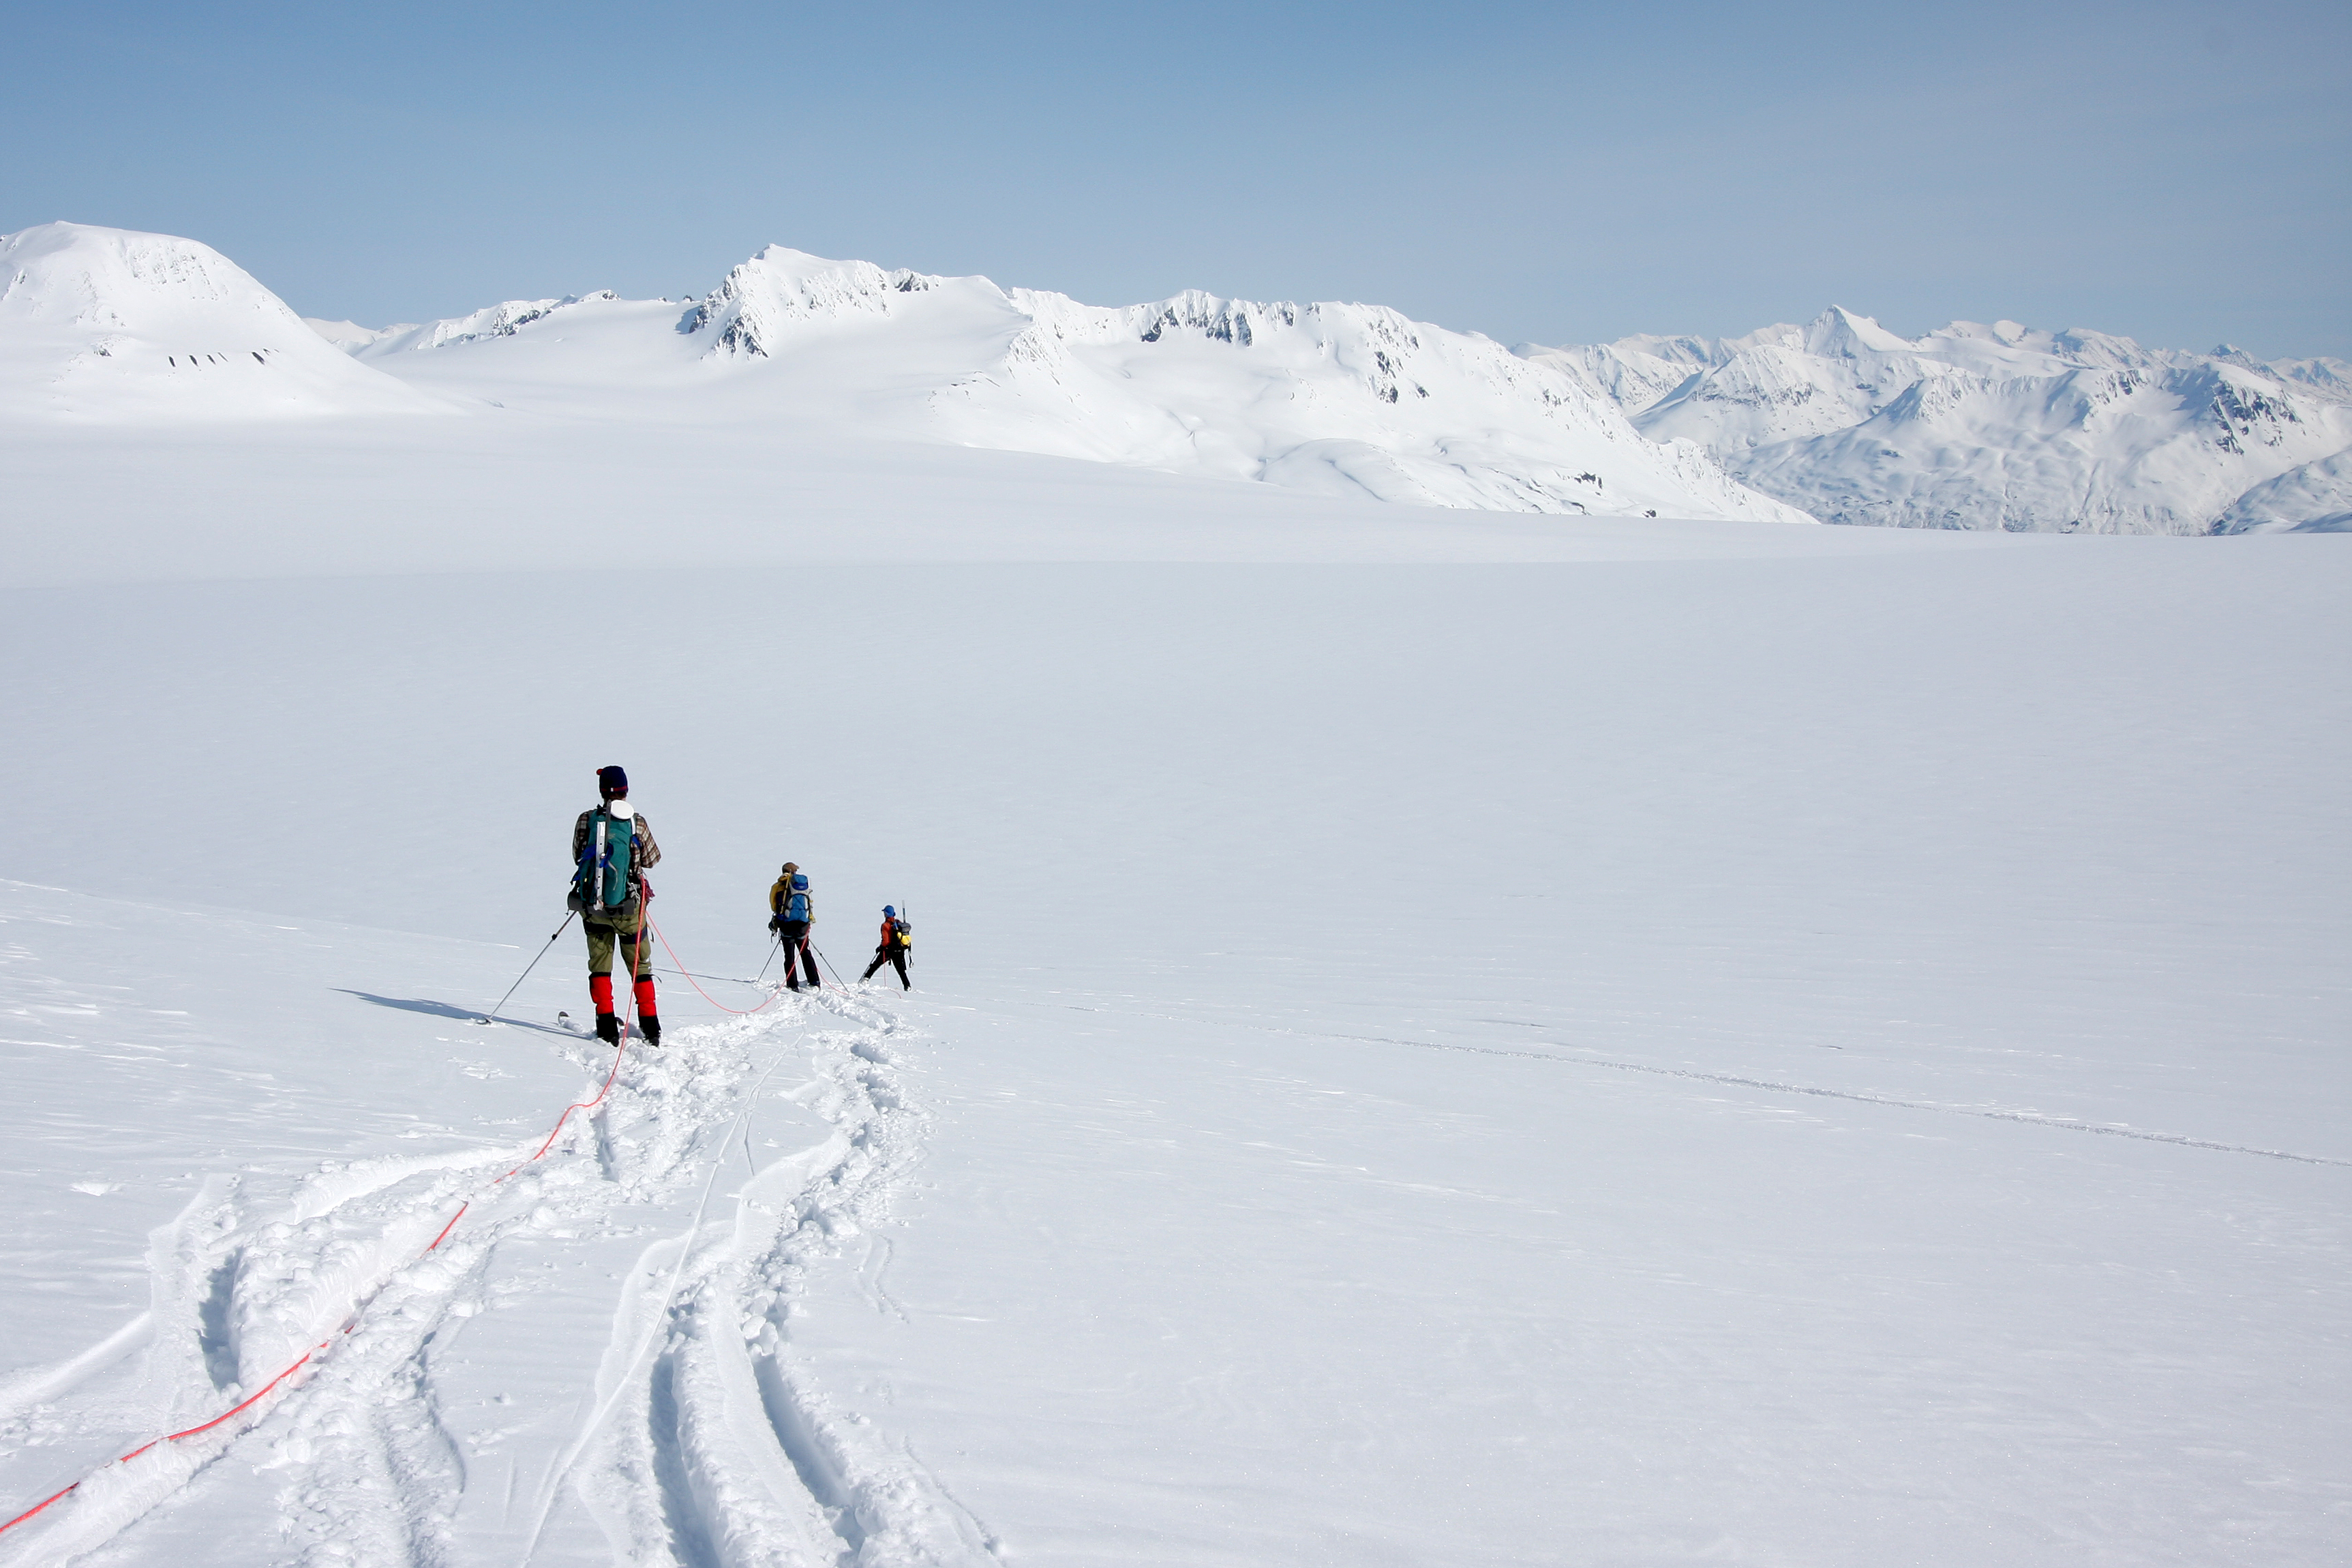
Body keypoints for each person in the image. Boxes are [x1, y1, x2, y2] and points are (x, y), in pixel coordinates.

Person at [571, 765, 661, 1046]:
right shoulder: (637, 822)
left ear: (602, 791)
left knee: (600, 966)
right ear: (626, 791)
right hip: (629, 908)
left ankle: (606, 1026)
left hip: (593, 908)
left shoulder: (587, 819)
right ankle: (650, 1028)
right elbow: (652, 860)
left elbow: (577, 856)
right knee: (639, 965)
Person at [767, 861, 819, 991]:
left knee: (789, 955)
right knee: (806, 953)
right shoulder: (803, 886)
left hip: (786, 925)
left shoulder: (778, 886)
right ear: (794, 872)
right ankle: (815, 982)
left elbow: (774, 906)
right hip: (803, 925)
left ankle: (793, 985)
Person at [861, 905, 911, 989]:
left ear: (886, 914)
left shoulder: (885, 925)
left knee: (875, 965)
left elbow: (886, 941)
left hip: (888, 950)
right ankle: (907, 986)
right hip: (900, 950)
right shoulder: (899, 923)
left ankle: (865, 979)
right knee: (901, 971)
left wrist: (880, 948)